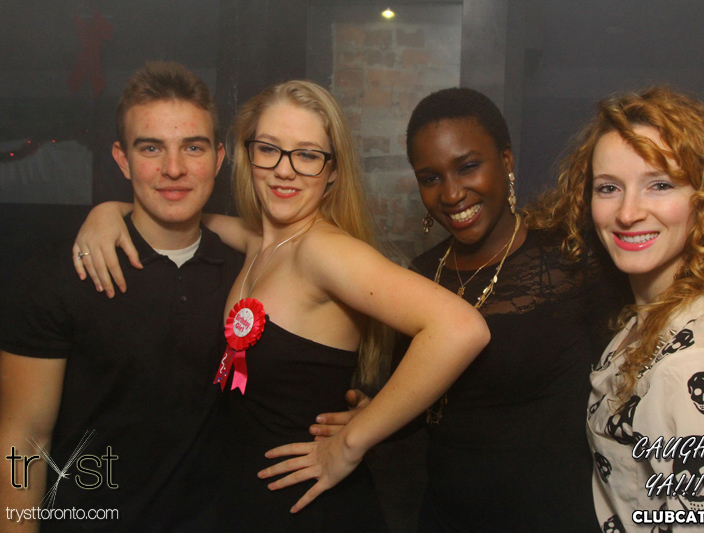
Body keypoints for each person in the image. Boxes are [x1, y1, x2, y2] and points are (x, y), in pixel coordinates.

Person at [71, 80, 490, 531]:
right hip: (251, 502)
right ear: (247, 155)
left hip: (312, 509)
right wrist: (110, 211)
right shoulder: (261, 241)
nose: (284, 171)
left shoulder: (324, 251)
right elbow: (187, 216)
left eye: (307, 155)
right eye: (269, 149)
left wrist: (351, 442)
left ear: (332, 171)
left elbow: (461, 328)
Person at [311, 87, 632, 531]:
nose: (451, 193)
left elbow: (629, 388)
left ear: (506, 160)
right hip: (447, 518)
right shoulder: (421, 276)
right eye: (430, 177)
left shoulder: (572, 261)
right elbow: (426, 404)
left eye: (467, 167)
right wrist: (375, 414)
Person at [531, 86, 704, 531]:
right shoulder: (650, 323)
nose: (627, 212)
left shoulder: (701, 368)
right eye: (608, 188)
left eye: (659, 185)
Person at [0, 62, 242, 532]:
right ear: (122, 158)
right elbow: (23, 439)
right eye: (151, 148)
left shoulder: (245, 272)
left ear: (217, 158)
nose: (174, 169)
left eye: (192, 147)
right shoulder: (59, 276)